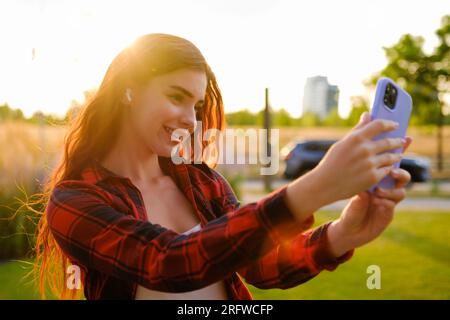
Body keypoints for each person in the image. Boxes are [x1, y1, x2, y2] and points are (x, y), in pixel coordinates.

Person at [34, 33, 411, 300]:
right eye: (176, 97)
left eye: (196, 106)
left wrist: (342, 233)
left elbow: (259, 265)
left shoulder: (201, 182)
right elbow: (168, 262)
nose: (189, 119)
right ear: (129, 90)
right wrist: (316, 187)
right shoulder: (74, 202)